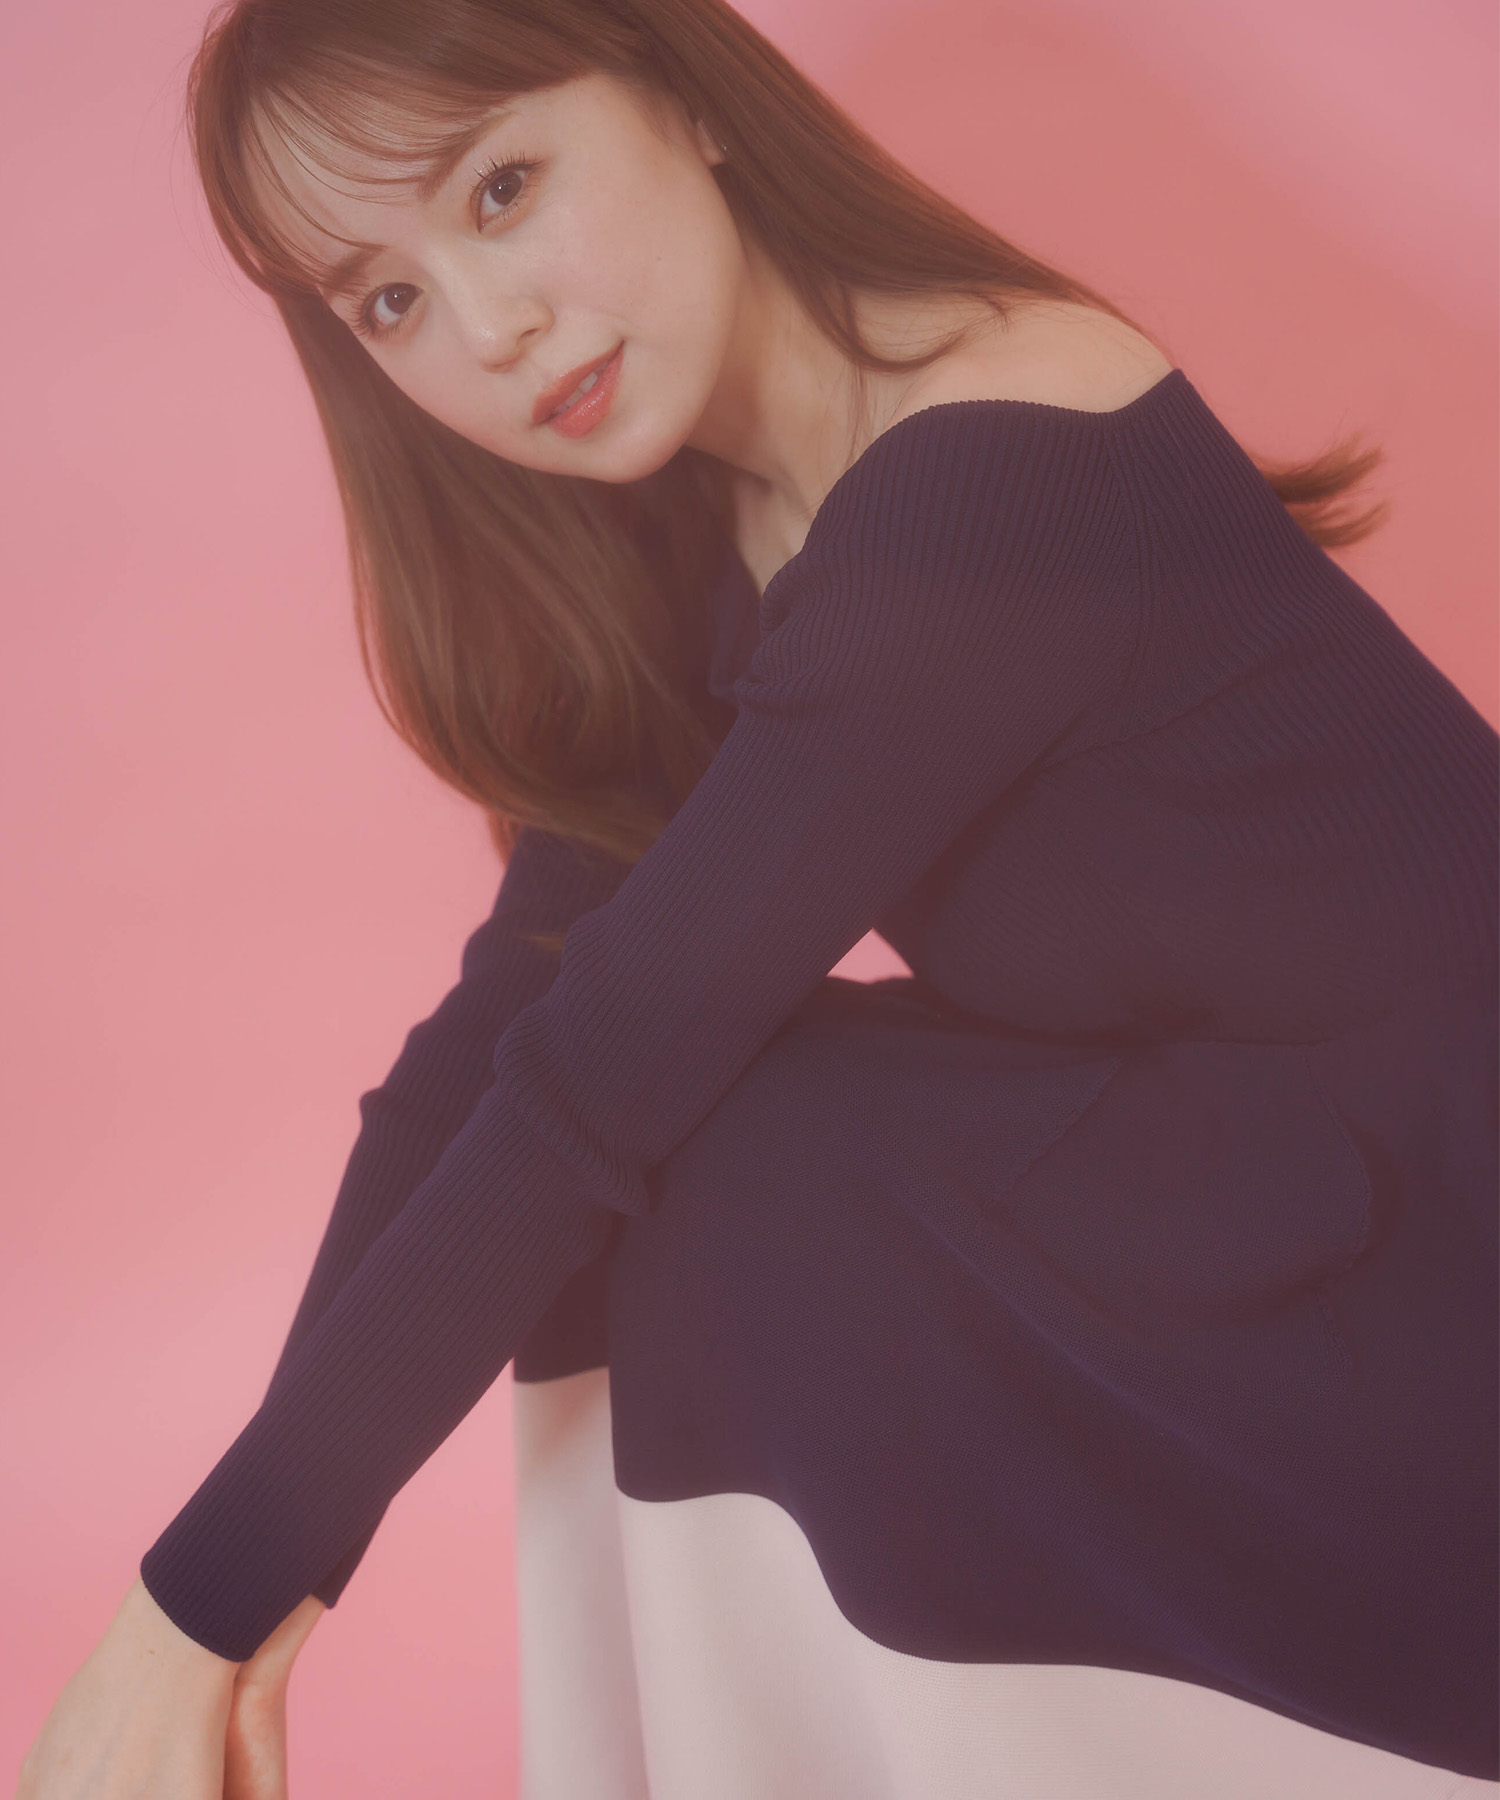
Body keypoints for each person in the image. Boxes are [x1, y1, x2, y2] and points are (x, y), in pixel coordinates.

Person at [18, 0, 1498, 1794]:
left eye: (500, 190)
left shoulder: (984, 478)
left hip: (1437, 1307)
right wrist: (231, 1601)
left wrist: (195, 1613)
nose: (488, 329)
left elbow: (586, 1092)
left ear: (686, 97)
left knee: (723, 1144)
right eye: (387, 300)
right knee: (684, 1141)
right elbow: (487, 1049)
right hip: (1285, 1240)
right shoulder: (721, 533)